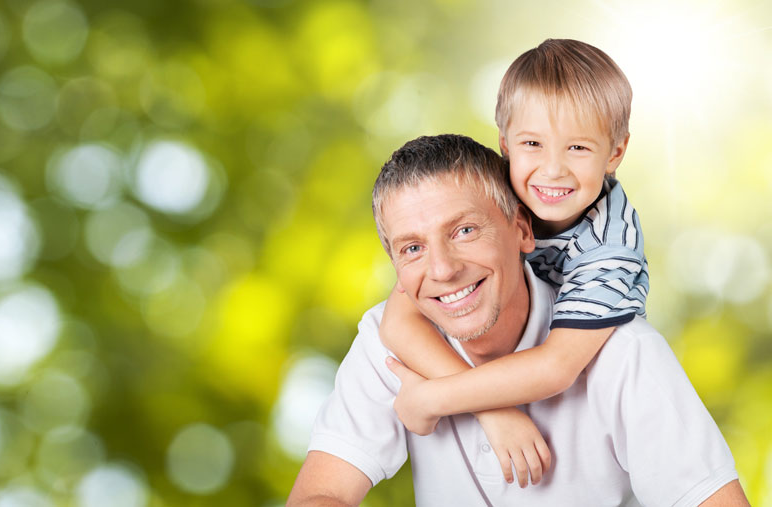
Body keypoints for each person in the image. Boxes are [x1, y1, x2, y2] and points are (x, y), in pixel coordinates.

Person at [287, 134, 747, 506]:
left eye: (464, 231)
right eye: (412, 248)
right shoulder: (385, 345)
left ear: (523, 230)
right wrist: (492, 407)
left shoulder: (624, 352)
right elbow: (322, 493)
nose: (443, 269)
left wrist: (439, 398)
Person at [377, 39, 648, 487]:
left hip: (583, 388)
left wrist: (432, 399)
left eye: (578, 148)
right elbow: (398, 320)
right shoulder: (483, 198)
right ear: (505, 144)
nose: (552, 170)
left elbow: (556, 367)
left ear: (615, 153)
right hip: (505, 360)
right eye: (532, 144)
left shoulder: (611, 252)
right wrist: (491, 410)